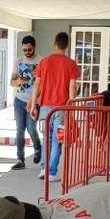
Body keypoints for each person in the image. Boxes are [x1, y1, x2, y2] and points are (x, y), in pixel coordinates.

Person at [30, 31, 81, 183]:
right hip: (62, 109)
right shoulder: (71, 64)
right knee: (58, 140)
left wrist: (33, 105)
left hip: (45, 108)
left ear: (54, 44)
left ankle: (43, 168)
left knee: (47, 138)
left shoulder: (44, 62)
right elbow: (72, 87)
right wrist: (71, 107)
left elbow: (36, 85)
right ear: (67, 46)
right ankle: (52, 172)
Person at [10, 35, 42, 170]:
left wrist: (33, 102)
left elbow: (42, 85)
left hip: (34, 101)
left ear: (34, 47)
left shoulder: (41, 61)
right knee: (19, 130)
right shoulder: (19, 61)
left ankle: (37, 148)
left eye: (29, 49)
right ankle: (20, 159)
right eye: (24, 50)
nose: (27, 52)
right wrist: (18, 82)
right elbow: (12, 82)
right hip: (19, 100)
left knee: (31, 128)